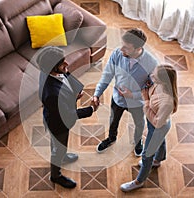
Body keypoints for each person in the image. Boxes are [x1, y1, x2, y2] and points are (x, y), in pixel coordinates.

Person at [38, 46, 99, 189]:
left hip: (57, 117)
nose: (67, 64)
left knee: (58, 145)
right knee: (58, 148)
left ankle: (63, 156)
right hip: (58, 124)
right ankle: (55, 175)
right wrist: (91, 109)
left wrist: (75, 91)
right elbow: (68, 115)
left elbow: (65, 74)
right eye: (62, 63)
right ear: (53, 68)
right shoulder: (52, 94)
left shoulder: (50, 70)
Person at [93, 28, 158, 156]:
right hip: (118, 99)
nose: (121, 49)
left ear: (138, 48)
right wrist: (97, 94)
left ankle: (138, 141)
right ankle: (111, 138)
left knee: (139, 123)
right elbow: (107, 75)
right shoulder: (117, 53)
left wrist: (132, 95)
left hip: (137, 102)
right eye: (122, 45)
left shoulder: (151, 63)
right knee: (113, 121)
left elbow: (152, 89)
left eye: (126, 48)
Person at [120, 64, 178, 192]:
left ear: (162, 80)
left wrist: (146, 102)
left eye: (154, 75)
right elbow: (146, 88)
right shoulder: (157, 83)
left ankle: (139, 181)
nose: (151, 76)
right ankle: (158, 160)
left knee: (146, 155)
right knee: (161, 141)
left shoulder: (167, 102)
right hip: (156, 123)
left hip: (158, 126)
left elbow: (157, 123)